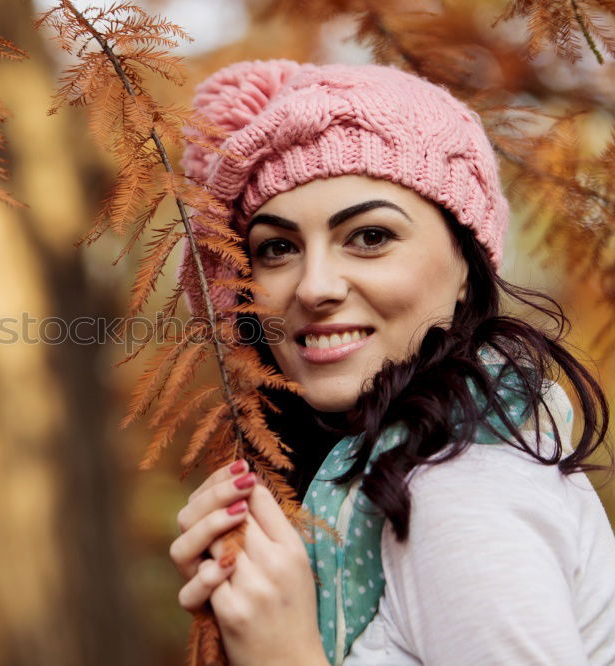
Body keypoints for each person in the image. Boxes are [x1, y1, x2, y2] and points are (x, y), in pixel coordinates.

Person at [168, 59, 615, 666]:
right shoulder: (382, 472)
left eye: (370, 236)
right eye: (277, 248)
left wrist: (285, 656)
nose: (314, 287)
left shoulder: (460, 489)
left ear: (466, 263)